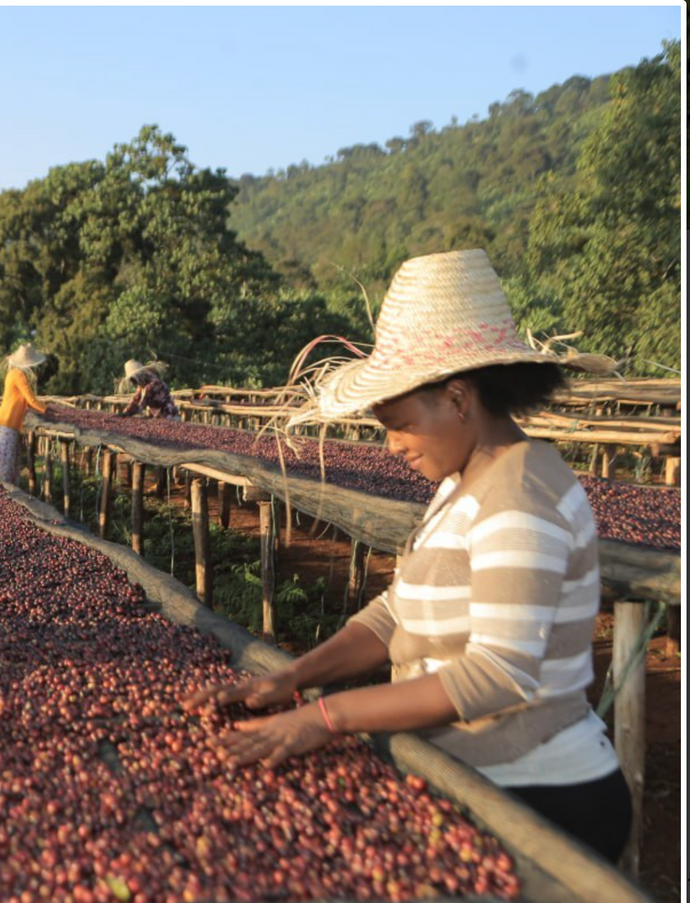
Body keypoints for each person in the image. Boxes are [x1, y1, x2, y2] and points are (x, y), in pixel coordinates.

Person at [182, 249, 630, 863]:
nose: (391, 445)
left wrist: (326, 718)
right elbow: (398, 613)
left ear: (457, 397)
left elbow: (498, 675)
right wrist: (293, 677)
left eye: (398, 423)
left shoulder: (520, 495)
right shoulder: (463, 482)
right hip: (469, 780)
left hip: (540, 802)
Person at [0, 344, 51, 484]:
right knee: (6, 465)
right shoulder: (18, 375)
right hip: (7, 423)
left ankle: (11, 496)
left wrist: (43, 408)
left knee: (11, 462)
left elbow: (27, 400)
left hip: (7, 422)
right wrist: (48, 410)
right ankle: (4, 496)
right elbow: (31, 399)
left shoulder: (14, 374)